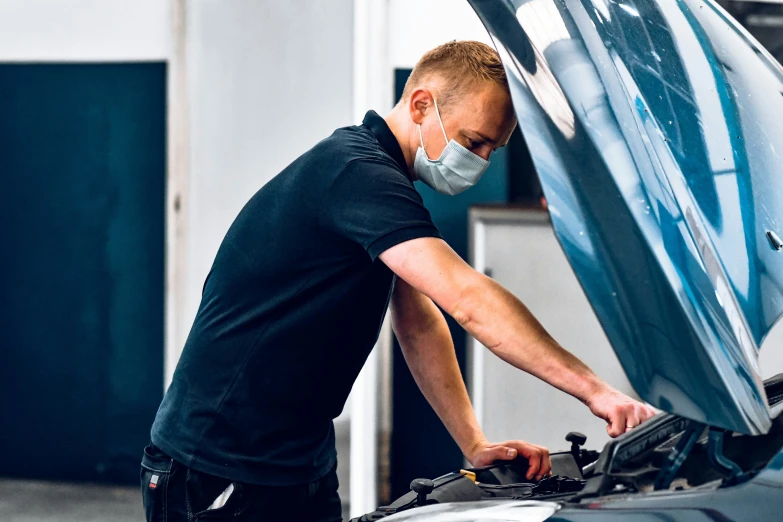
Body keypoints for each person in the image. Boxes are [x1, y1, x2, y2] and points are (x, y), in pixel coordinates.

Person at [140, 40, 656, 522]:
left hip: (300, 460)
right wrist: (596, 391)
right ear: (420, 105)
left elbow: (419, 324)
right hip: (217, 462)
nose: (479, 161)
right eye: (474, 141)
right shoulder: (353, 173)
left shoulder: (382, 183)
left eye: (492, 151)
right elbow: (467, 298)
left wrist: (472, 443)